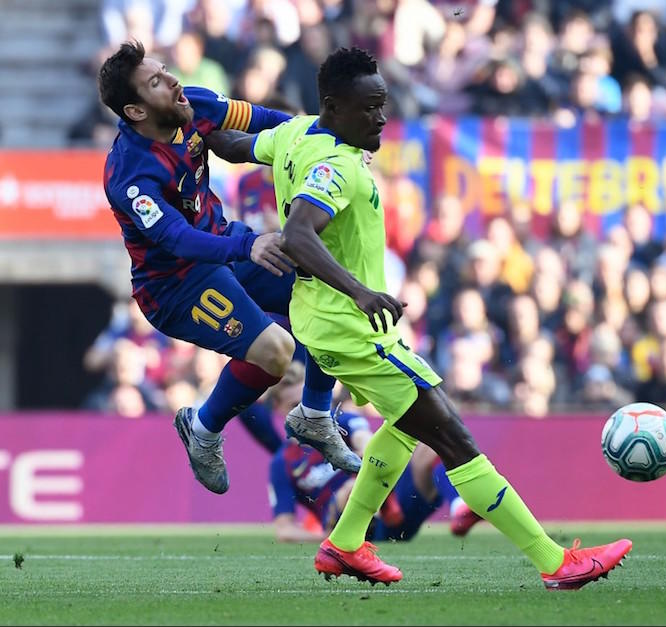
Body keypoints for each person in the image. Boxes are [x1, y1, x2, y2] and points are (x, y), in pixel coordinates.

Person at [208, 46, 632, 590]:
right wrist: (361, 291)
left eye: (383, 105)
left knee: (404, 431)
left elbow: (235, 144)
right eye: (369, 108)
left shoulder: (293, 133)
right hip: (351, 328)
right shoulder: (335, 166)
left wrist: (189, 128)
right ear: (335, 108)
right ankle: (556, 563)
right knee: (454, 438)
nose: (381, 117)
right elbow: (296, 233)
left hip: (321, 322)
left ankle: (345, 542)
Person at [97, 40, 361, 496]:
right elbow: (176, 239)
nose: (173, 81)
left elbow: (270, 123)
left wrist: (333, 139)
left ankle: (315, 413)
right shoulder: (129, 175)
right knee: (278, 352)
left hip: (225, 244)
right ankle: (202, 428)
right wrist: (247, 244)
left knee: (330, 293)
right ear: (136, 111)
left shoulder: (194, 103)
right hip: (176, 285)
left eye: (165, 70)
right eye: (156, 82)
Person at [266, 364, 482, 544]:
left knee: (432, 441)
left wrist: (367, 452)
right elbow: (284, 530)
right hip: (348, 523)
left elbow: (364, 437)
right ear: (278, 408)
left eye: (307, 404)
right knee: (349, 489)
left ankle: (459, 508)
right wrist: (325, 539)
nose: (306, 413)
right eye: (295, 407)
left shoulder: (341, 422)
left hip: (395, 501)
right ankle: (375, 509)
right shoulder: (282, 463)